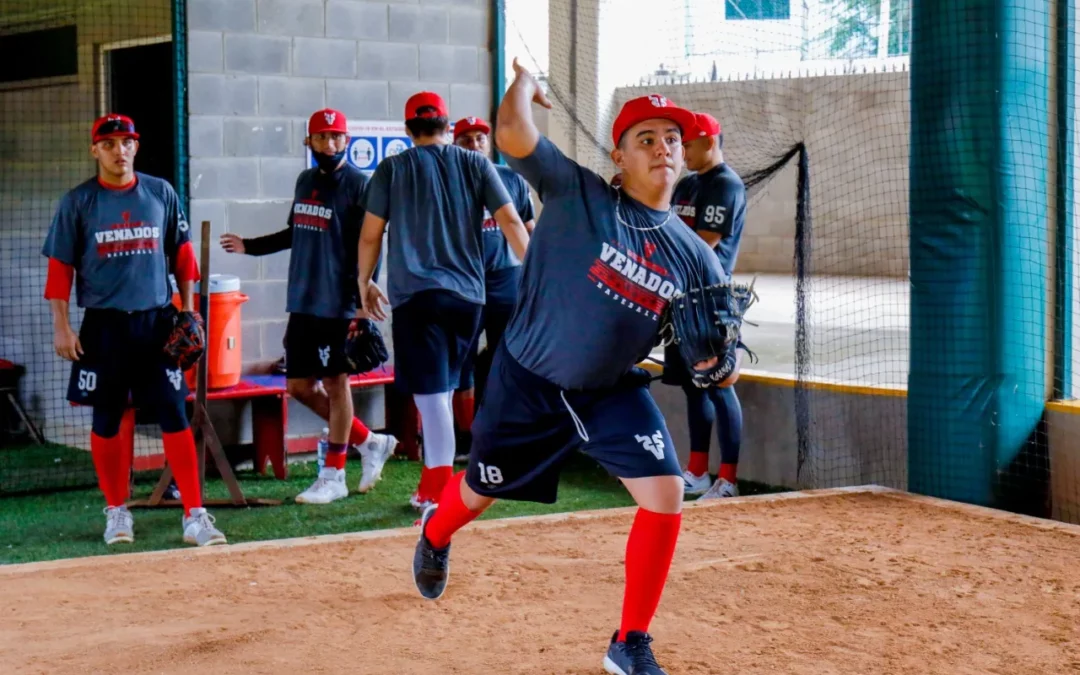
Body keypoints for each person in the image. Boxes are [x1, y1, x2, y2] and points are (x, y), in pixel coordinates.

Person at [408, 62, 738, 675]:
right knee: (479, 492)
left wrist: (714, 367)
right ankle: (435, 535)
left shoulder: (697, 258)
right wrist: (525, 86)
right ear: (620, 156)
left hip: (608, 390)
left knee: (666, 495)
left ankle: (629, 642)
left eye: (671, 138)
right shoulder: (579, 191)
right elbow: (510, 133)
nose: (663, 147)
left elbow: (716, 360)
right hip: (528, 380)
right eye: (647, 138)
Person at [42, 114, 226, 546]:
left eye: (126, 142)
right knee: (108, 416)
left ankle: (195, 515)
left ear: (136, 147)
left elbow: (182, 256)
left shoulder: (160, 192)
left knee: (173, 413)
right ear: (95, 151)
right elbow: (59, 270)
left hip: (157, 322)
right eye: (109, 144)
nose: (118, 150)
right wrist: (62, 327)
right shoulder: (78, 202)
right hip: (103, 326)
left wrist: (189, 311)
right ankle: (117, 511)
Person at [356, 93, 530, 512]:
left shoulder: (393, 168)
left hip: (418, 297)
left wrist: (365, 281)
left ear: (407, 130)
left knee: (432, 397)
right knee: (447, 390)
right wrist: (537, 273)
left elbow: (370, 234)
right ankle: (438, 483)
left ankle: (437, 490)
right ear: (448, 127)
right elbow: (510, 221)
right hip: (469, 297)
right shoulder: (475, 163)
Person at [220, 108, 398, 505]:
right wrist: (250, 246)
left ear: (346, 141)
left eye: (337, 137)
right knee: (299, 387)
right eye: (322, 137)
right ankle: (370, 442)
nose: (330, 144)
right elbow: (294, 231)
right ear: (309, 142)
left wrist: (360, 299)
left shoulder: (358, 184)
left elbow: (370, 242)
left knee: (336, 384)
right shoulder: (305, 181)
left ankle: (333, 475)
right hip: (302, 300)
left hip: (338, 304)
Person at [667, 112, 748, 500]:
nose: (682, 151)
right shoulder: (687, 184)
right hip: (682, 299)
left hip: (710, 301)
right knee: (693, 387)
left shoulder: (725, 185)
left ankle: (728, 480)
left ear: (709, 142)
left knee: (719, 386)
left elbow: (705, 243)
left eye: (687, 144)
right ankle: (698, 471)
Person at [450, 116, 536, 459]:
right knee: (462, 363)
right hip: (464, 281)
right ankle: (466, 438)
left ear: (490, 144)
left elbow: (529, 229)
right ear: (455, 145)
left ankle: (504, 433)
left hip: (506, 280)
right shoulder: (448, 183)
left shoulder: (512, 179)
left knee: (508, 358)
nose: (474, 144)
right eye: (466, 139)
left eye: (479, 139)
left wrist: (538, 275)